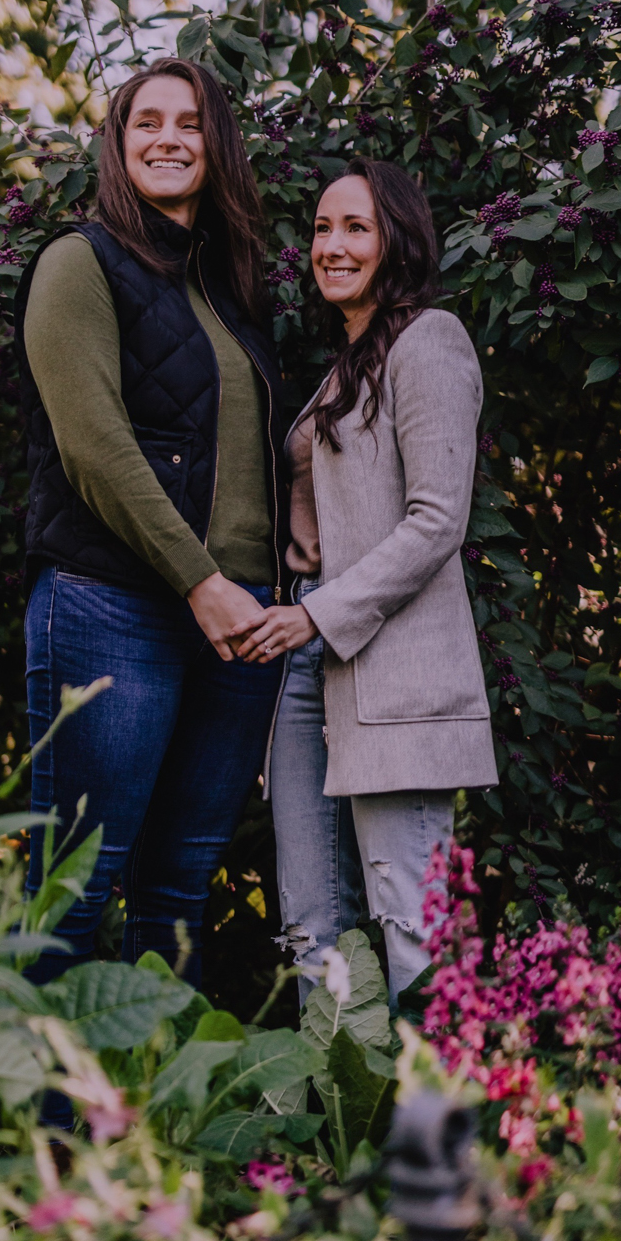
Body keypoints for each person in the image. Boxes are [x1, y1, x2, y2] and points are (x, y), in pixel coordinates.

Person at [11, 57, 286, 1000]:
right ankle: (31, 1133)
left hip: (244, 626)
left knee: (176, 891)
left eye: (191, 123)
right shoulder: (77, 263)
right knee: (74, 891)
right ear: (119, 145)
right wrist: (196, 580)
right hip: (114, 607)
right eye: (147, 122)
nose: (168, 138)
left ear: (217, 149)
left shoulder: (234, 289)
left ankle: (146, 1128)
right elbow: (94, 446)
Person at [229, 159, 497, 1003]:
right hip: (307, 663)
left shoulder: (431, 342)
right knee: (313, 924)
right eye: (320, 228)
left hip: (389, 670)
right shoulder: (345, 365)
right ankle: (336, 1134)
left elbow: (435, 521)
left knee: (413, 926)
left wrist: (316, 617)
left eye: (356, 227)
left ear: (399, 241)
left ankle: (438, 1134)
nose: (332, 245)